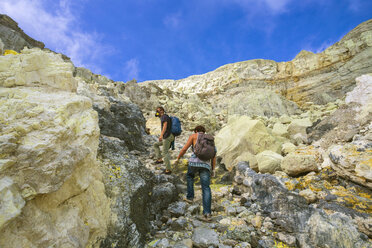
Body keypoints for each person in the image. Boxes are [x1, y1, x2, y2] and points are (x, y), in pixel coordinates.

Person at [175, 125, 216, 221]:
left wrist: (178, 158)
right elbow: (213, 155)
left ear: (196, 130)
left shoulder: (193, 136)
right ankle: (207, 214)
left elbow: (184, 148)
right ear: (204, 131)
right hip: (206, 165)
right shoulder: (210, 139)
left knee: (190, 176)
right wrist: (213, 169)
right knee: (206, 187)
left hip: (194, 163)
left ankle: (190, 197)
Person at [153, 106, 175, 174]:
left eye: (158, 111)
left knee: (165, 152)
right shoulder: (163, 117)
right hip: (168, 136)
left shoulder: (164, 117)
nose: (157, 112)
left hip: (167, 137)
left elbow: (165, 126)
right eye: (156, 111)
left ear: (162, 111)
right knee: (156, 144)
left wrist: (161, 135)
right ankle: (159, 159)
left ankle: (168, 169)